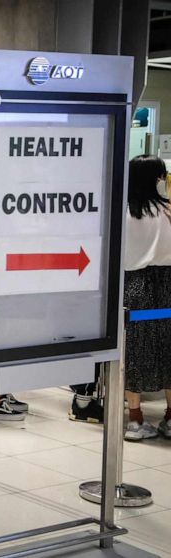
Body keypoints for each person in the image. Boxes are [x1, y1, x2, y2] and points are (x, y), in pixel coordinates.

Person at [123, 155, 171, 441]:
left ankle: (135, 419)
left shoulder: (123, 213)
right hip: (167, 284)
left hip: (133, 285)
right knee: (168, 350)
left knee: (135, 352)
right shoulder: (167, 211)